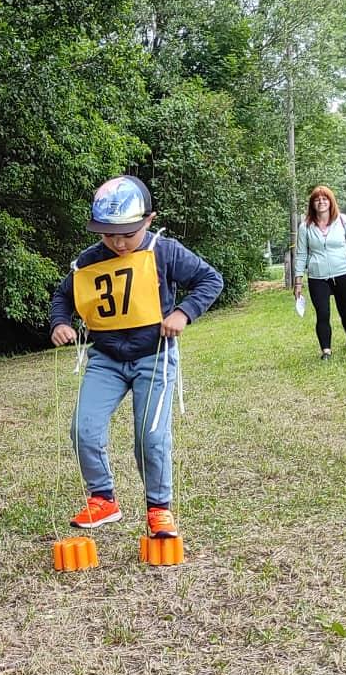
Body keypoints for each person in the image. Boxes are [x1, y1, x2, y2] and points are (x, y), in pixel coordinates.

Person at [48, 175, 223, 534]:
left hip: (154, 356)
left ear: (148, 220)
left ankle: (159, 507)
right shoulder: (87, 262)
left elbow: (210, 280)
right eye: (109, 234)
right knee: (83, 428)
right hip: (105, 359)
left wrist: (183, 312)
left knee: (151, 436)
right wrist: (60, 323)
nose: (118, 242)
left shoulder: (164, 250)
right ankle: (103, 499)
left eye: (127, 233)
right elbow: (63, 297)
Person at [292, 185, 346, 361]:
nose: (321, 202)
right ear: (312, 204)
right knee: (323, 313)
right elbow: (301, 254)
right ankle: (326, 350)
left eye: (324, 198)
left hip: (343, 273)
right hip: (317, 277)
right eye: (317, 199)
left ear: (330, 201)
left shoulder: (343, 221)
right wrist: (298, 281)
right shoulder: (305, 227)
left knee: (345, 310)